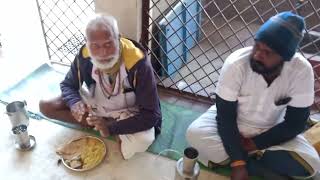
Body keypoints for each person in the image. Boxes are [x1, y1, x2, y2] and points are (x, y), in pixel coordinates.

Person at [186, 11, 320, 179]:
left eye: (268, 52)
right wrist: (238, 164)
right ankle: (251, 160)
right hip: (232, 122)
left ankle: (242, 155)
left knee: (312, 165)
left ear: (285, 57)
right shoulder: (236, 63)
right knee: (194, 134)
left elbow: (295, 123)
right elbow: (225, 117)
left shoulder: (301, 71)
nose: (257, 54)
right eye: (257, 45)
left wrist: (256, 143)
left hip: (272, 130)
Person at [39, 14, 162, 160]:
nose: (103, 53)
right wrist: (74, 102)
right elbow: (68, 85)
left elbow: (151, 115)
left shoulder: (137, 62)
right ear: (87, 43)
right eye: (95, 46)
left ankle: (105, 126)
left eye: (108, 44)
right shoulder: (84, 55)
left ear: (118, 38)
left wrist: (110, 128)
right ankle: (97, 124)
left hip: (128, 111)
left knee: (144, 140)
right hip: (97, 103)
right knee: (46, 106)